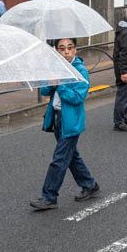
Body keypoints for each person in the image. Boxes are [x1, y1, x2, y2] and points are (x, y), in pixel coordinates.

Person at [31, 39, 98, 209]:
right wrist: (50, 77)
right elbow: (46, 91)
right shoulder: (57, 67)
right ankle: (89, 184)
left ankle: (49, 196)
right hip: (57, 118)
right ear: (57, 51)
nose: (66, 52)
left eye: (69, 48)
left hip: (71, 122)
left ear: (75, 49)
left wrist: (60, 83)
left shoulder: (80, 71)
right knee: (71, 156)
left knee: (59, 159)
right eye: (62, 49)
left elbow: (77, 98)